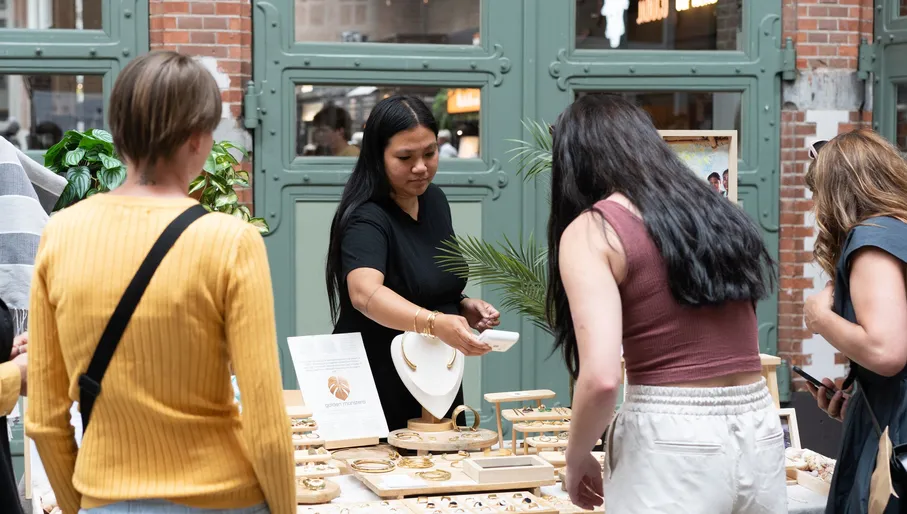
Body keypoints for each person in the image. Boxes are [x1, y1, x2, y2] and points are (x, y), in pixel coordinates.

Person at [25, 50, 294, 514]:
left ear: (119, 131)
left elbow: (45, 421)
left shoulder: (61, 233)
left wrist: (82, 504)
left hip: (104, 495)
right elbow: (266, 421)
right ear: (196, 137)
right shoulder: (230, 241)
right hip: (221, 495)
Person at [548, 94, 783, 514]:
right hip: (759, 423)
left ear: (575, 162)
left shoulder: (595, 228)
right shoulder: (716, 212)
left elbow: (602, 378)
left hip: (671, 432)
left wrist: (577, 455)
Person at [325, 95, 500, 431]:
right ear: (378, 157)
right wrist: (435, 323)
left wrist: (462, 306)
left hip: (436, 376)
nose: (421, 167)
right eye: (405, 157)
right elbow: (364, 294)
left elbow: (427, 279)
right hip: (380, 378)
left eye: (430, 153)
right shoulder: (366, 216)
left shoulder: (434, 200)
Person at [803, 130, 907, 513]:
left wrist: (820, 317)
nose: (816, 207)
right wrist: (862, 399)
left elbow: (886, 351)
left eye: (818, 193)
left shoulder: (872, 239)